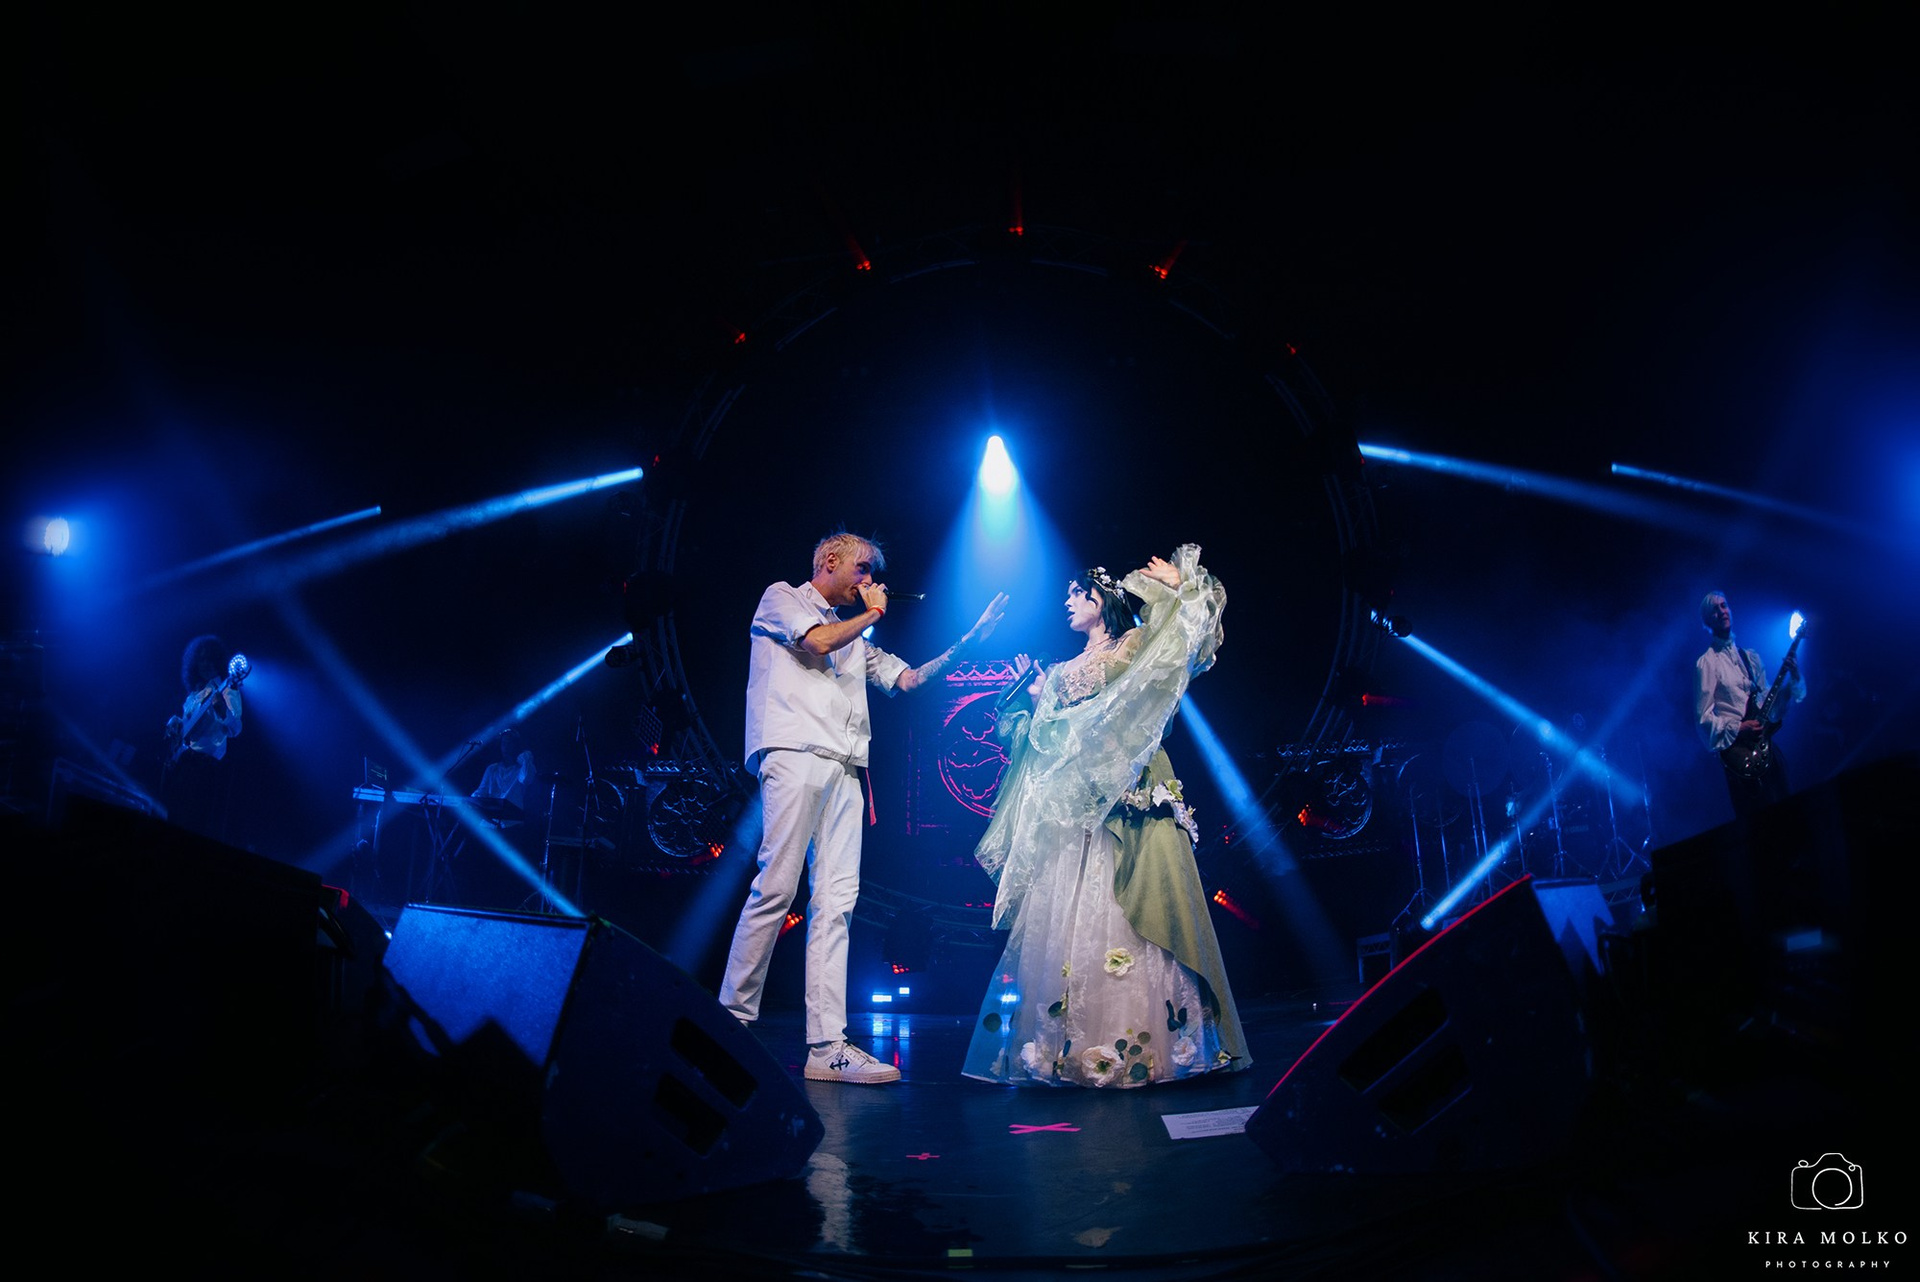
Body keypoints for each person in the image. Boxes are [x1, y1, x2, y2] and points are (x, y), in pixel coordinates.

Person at [720, 531, 1008, 1084]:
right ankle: (730, 1021)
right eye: (863, 569)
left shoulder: (856, 636)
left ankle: (827, 1045)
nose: (871, 581)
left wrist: (970, 642)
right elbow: (816, 642)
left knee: (837, 903)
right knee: (776, 887)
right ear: (831, 560)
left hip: (847, 768)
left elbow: (909, 679)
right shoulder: (783, 597)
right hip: (795, 753)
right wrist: (872, 613)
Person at [963, 544, 1250, 1087]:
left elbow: (1183, 645)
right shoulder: (1059, 670)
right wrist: (1031, 698)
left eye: (1077, 593)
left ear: (1102, 599)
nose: (1068, 602)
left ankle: (1155, 1043)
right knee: (1074, 918)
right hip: (1077, 807)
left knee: (1137, 903)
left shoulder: (1134, 644)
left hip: (1129, 790)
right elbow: (1041, 741)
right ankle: (1073, 1048)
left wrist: (1181, 588)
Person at [1695, 590, 1803, 819]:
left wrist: (1792, 675)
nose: (1721, 611)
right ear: (1707, 620)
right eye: (1715, 609)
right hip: (1741, 758)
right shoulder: (1707, 663)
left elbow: (1769, 706)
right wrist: (1739, 728)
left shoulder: (1750, 657)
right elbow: (1703, 720)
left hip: (1768, 751)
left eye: (1724, 605)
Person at [164, 634, 244, 841]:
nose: (205, 664)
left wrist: (222, 711)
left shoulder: (228, 689)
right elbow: (185, 729)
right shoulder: (194, 694)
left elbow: (236, 728)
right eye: (201, 659)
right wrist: (176, 724)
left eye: (209, 658)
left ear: (218, 661)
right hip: (183, 764)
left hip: (204, 768)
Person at [471, 728, 535, 815]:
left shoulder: (523, 768)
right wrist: (470, 801)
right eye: (504, 743)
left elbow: (526, 779)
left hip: (511, 820)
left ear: (516, 745)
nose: (506, 746)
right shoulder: (492, 769)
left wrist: (526, 757)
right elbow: (482, 791)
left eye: (510, 743)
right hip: (490, 819)